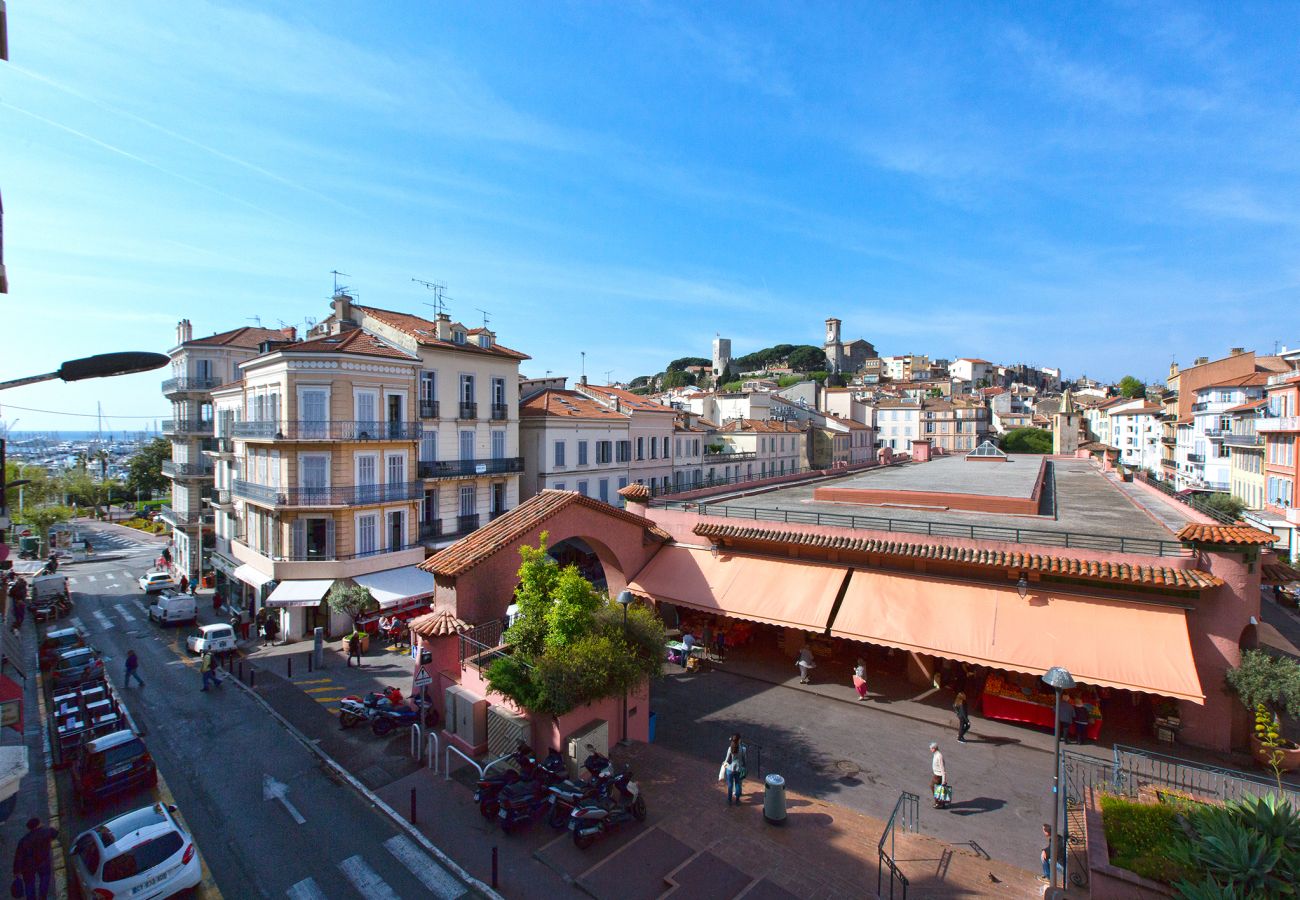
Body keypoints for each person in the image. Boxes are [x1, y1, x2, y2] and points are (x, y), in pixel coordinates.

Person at [12, 816, 59, 900]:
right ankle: (42, 896)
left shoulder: (23, 841)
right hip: (43, 861)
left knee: (29, 884)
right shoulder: (45, 832)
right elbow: (55, 833)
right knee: (45, 878)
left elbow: (18, 857)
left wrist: (16, 872)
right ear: (38, 825)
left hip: (28, 866)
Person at [720, 733, 748, 805]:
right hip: (738, 769)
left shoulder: (730, 748)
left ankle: (729, 800)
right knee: (738, 784)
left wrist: (724, 765)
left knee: (730, 785)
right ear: (739, 740)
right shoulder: (743, 749)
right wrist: (744, 766)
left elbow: (726, 760)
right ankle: (737, 800)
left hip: (729, 769)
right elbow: (745, 760)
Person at [929, 742, 946, 807]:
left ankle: (938, 803)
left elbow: (942, 768)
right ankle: (941, 802)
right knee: (938, 788)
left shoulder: (939, 756)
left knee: (933, 787)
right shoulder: (936, 754)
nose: (930, 750)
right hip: (936, 775)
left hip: (938, 776)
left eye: (931, 748)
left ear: (934, 748)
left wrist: (944, 780)